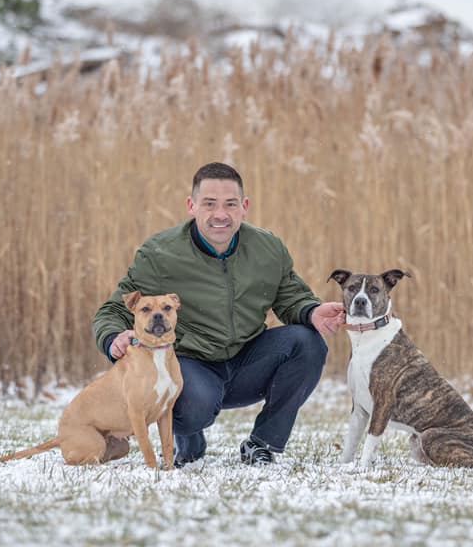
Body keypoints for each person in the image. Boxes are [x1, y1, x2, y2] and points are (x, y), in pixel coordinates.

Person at [92, 162, 345, 466]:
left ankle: (262, 444)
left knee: (308, 342)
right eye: (209, 204)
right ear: (192, 205)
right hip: (191, 367)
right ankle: (188, 440)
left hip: (249, 360)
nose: (221, 215)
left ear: (244, 207)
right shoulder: (160, 254)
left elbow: (290, 295)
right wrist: (112, 338)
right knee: (190, 404)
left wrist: (312, 310)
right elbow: (114, 310)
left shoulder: (268, 247)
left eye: (230, 204)